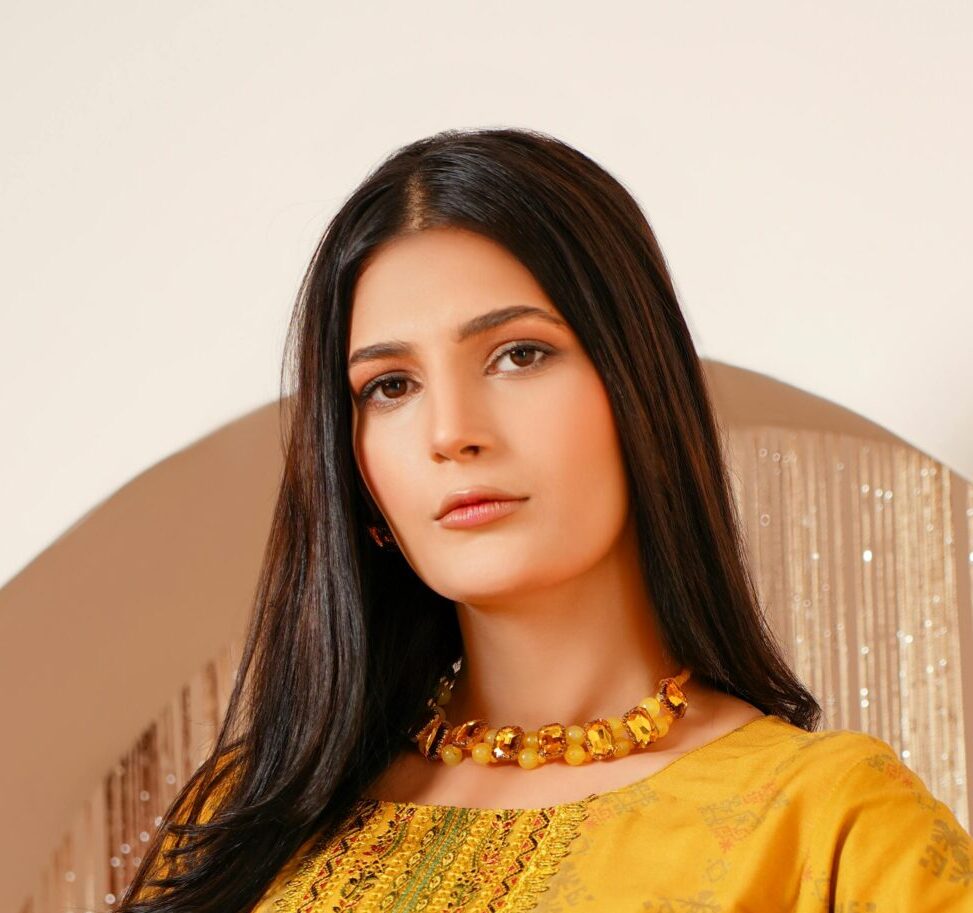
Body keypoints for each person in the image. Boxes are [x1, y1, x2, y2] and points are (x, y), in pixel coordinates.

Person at [119, 127, 973, 912]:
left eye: (518, 354)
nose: (450, 432)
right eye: (389, 385)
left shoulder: (829, 825)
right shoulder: (247, 819)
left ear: (639, 389)